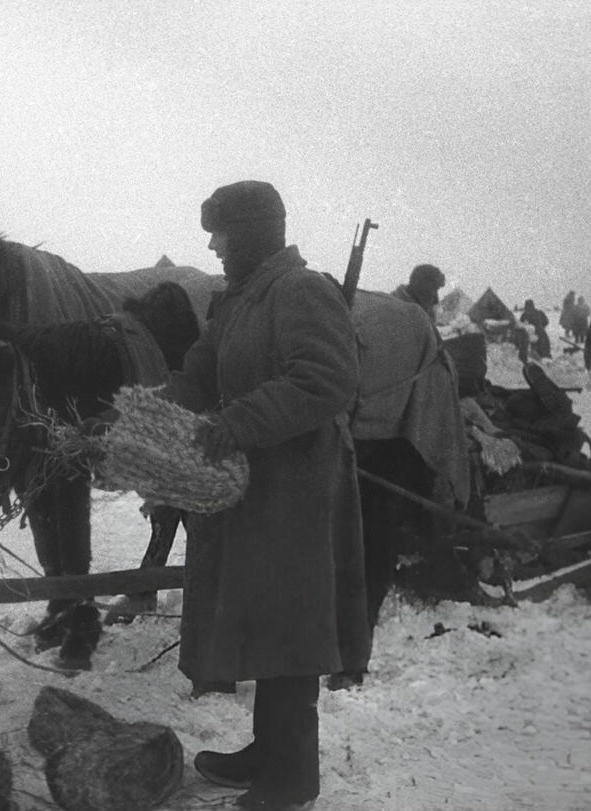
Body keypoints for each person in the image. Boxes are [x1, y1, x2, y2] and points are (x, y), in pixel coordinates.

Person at [162, 181, 369, 810]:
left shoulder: (300, 290)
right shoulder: (242, 299)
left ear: (253, 231)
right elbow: (201, 370)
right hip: (258, 493)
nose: (213, 243)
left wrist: (237, 423)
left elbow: (327, 379)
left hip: (299, 492)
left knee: (292, 629)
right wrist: (144, 414)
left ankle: (293, 777)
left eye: (222, 231)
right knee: (263, 619)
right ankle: (267, 752)